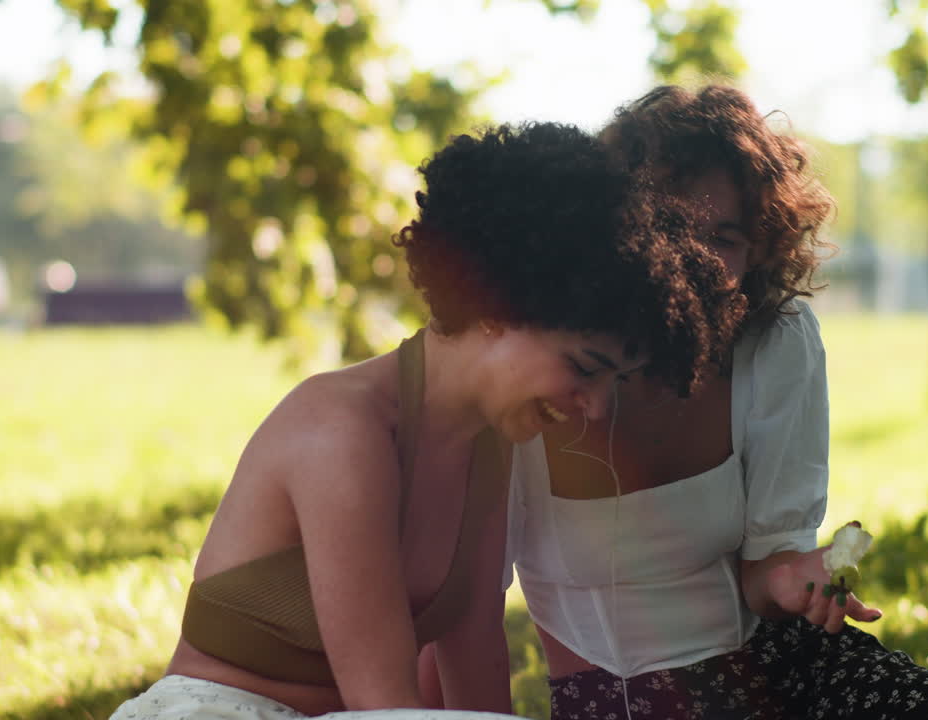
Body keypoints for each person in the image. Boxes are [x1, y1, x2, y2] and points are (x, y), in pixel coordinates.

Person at [108, 121, 744, 719]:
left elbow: (475, 668)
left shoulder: (492, 443)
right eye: (584, 367)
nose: (596, 406)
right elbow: (385, 707)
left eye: (614, 381)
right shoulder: (342, 432)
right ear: (497, 301)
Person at [504, 86, 928, 719]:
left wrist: (797, 577)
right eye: (679, 228)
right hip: (613, 701)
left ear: (760, 250)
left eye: (727, 237)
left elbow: (762, 573)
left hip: (780, 671)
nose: (700, 259)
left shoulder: (775, 339)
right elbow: (456, 608)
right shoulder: (536, 364)